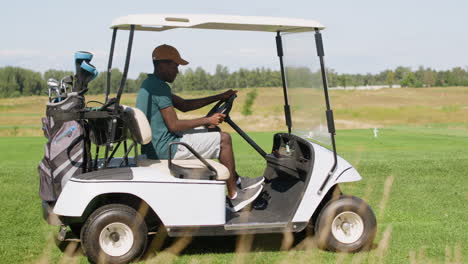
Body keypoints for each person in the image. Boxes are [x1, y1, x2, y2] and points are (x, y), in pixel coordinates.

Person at [136, 44, 264, 212]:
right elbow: (173, 125)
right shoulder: (159, 88)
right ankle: (234, 195)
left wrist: (219, 97)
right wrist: (207, 119)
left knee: (214, 131)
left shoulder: (152, 84)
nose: (177, 71)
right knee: (224, 139)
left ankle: (236, 180)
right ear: (162, 64)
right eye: (175, 66)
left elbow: (184, 105)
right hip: (166, 148)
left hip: (159, 144)